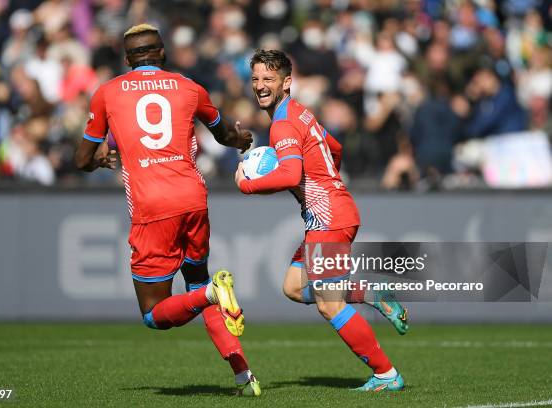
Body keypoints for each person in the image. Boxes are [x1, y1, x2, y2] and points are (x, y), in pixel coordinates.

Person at [74, 24, 261, 396]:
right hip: (193, 198)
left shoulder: (108, 93)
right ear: (161, 52)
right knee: (197, 282)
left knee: (153, 315)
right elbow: (223, 134)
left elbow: (81, 159)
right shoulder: (190, 88)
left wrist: (98, 159)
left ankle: (212, 295)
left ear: (128, 60)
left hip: (152, 207)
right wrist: (242, 139)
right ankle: (243, 376)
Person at [235, 49, 407, 391]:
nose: (260, 86)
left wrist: (247, 184)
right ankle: (370, 294)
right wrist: (325, 181)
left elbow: (288, 174)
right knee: (294, 287)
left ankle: (387, 375)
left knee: (330, 306)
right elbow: (335, 147)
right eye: (255, 79)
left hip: (329, 217)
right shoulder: (299, 113)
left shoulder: (283, 122)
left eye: (268, 79)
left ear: (287, 82)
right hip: (330, 213)